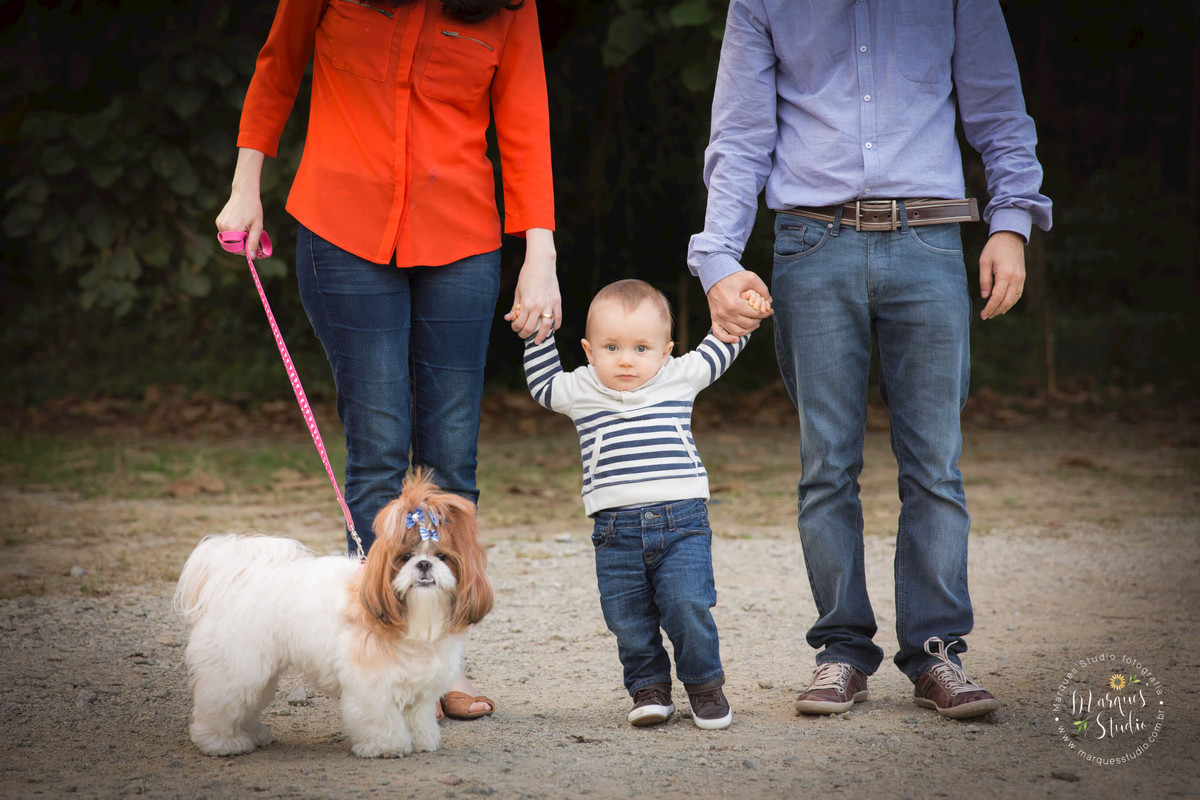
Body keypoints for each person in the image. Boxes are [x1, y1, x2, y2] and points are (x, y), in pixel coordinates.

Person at [687, 0, 1052, 720]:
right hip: (811, 241)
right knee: (826, 464)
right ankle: (841, 651)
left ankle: (938, 653)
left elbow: (999, 111)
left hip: (930, 240)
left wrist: (1012, 220)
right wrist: (719, 255)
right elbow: (741, 133)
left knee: (935, 462)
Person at [215, 0, 561, 721]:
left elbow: (525, 119)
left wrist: (541, 253)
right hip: (342, 228)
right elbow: (278, 65)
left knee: (451, 460)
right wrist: (246, 189)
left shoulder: (509, 7)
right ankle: (373, 656)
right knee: (377, 449)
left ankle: (438, 669)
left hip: (463, 236)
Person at [520, 279, 769, 730]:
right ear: (588, 350)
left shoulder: (678, 376)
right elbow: (543, 386)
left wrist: (745, 310)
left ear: (665, 351)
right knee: (627, 618)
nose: (626, 360)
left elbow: (723, 343)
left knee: (688, 604)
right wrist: (539, 330)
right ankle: (649, 688)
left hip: (682, 522)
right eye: (611, 347)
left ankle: (704, 686)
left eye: (641, 348)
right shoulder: (581, 388)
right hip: (614, 531)